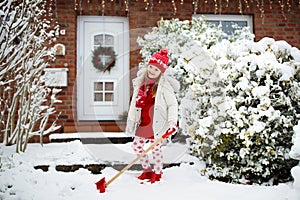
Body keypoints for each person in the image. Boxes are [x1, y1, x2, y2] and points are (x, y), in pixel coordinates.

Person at [126, 48, 180, 183]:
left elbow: (172, 105)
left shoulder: (164, 86)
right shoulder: (141, 83)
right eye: (150, 67)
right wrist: (132, 120)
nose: (151, 71)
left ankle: (158, 172)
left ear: (161, 72)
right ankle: (147, 170)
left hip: (157, 123)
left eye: (156, 69)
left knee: (155, 149)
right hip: (143, 122)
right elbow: (134, 104)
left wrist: (172, 122)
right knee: (137, 146)